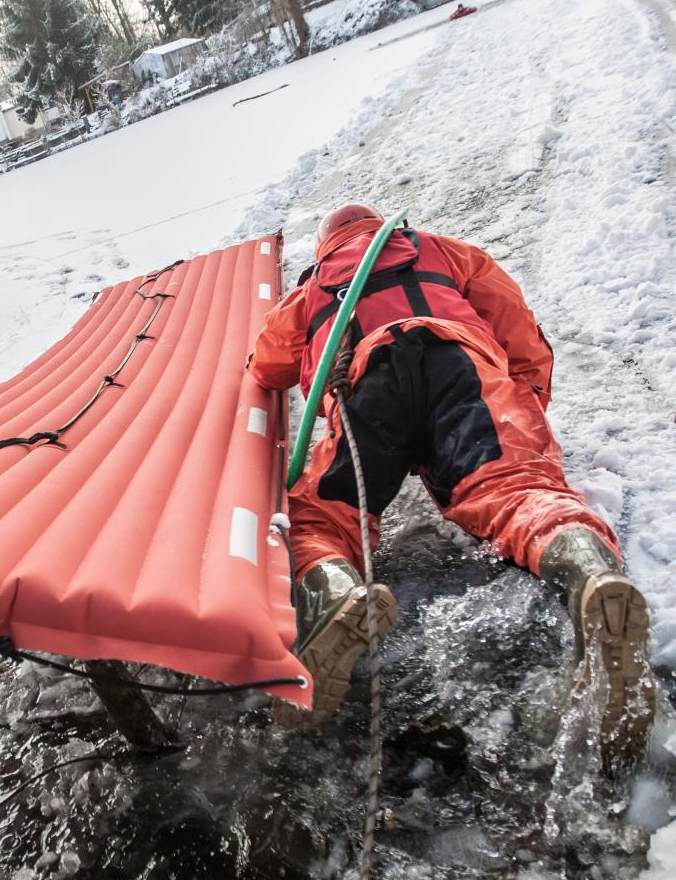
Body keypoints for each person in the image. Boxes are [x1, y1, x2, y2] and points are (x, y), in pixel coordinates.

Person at [249, 205, 653, 764]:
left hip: (367, 382)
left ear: (326, 247)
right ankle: (590, 575)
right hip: (459, 366)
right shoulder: (443, 251)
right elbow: (516, 325)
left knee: (321, 516)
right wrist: (525, 407)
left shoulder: (311, 291)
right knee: (514, 489)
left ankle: (337, 594)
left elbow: (265, 367)